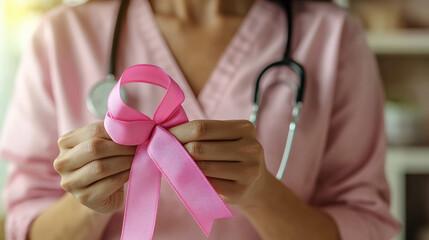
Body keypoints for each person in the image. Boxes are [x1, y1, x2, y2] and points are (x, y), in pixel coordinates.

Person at [0, 0, 401, 239]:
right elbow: (20, 226)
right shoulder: (63, 36)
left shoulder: (333, 37)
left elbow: (367, 225)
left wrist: (261, 193)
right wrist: (87, 204)